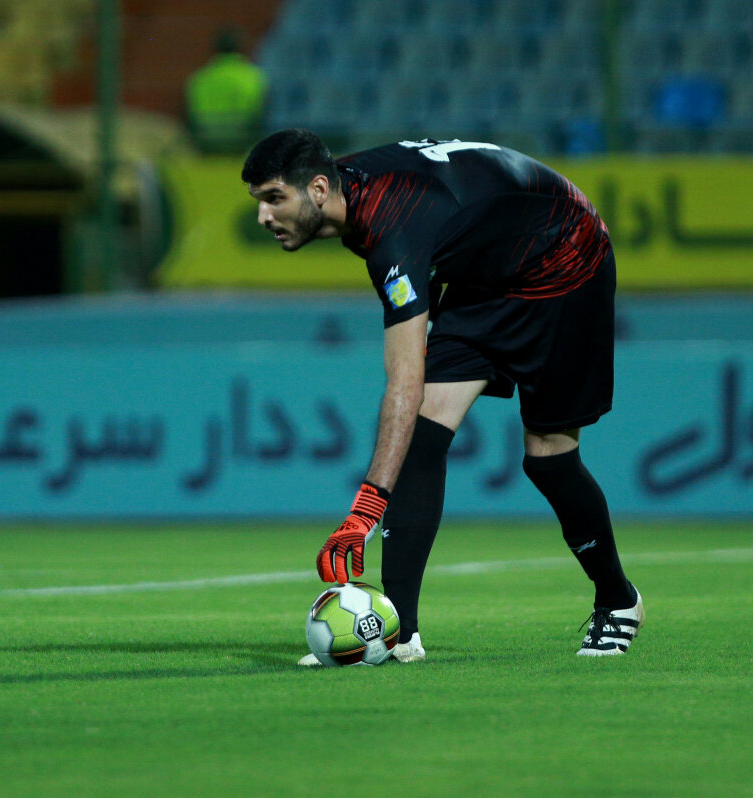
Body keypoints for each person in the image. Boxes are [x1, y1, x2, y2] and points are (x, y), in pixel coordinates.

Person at [241, 130, 643, 664]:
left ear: (317, 189)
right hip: (488, 272)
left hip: (565, 257)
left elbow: (403, 380)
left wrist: (365, 511)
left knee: (549, 457)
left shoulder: (392, 230)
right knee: (421, 436)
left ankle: (618, 600)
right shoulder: (352, 195)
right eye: (259, 201)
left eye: (274, 198)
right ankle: (398, 633)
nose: (264, 216)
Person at [184, 27, 268, 154]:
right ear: (241, 48)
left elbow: (191, 117)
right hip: (242, 143)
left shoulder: (199, 78)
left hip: (207, 144)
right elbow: (259, 114)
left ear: (214, 50)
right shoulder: (254, 77)